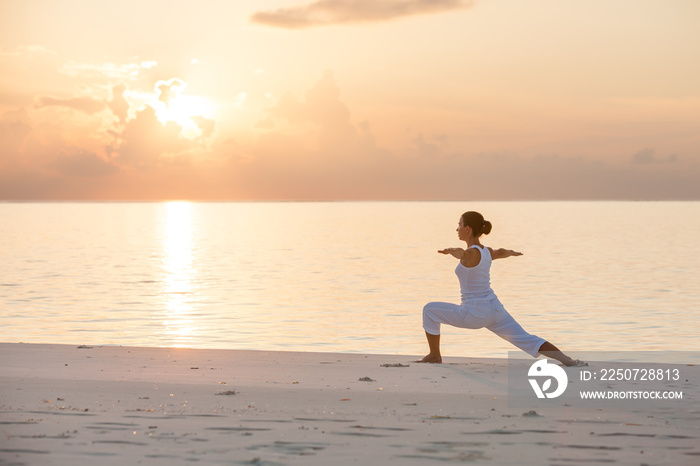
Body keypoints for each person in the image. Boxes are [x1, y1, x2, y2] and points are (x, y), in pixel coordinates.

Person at [417, 211, 585, 367]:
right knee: (526, 338)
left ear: (467, 229)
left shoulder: (471, 254)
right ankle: (568, 360)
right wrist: (512, 252)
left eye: (459, 225)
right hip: (495, 310)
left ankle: (434, 355)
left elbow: (464, 254)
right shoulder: (487, 252)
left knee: (429, 310)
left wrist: (454, 252)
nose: (457, 229)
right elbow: (501, 252)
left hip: (474, 313)